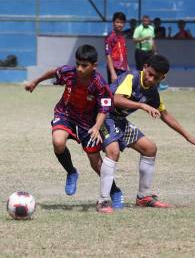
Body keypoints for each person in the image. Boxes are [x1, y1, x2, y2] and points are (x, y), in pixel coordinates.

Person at [96, 55, 195, 213]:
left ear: (163, 77)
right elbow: (116, 100)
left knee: (150, 148)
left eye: (157, 77)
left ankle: (143, 197)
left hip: (119, 121)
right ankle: (103, 201)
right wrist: (142, 106)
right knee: (113, 152)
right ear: (145, 67)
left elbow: (165, 114)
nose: (151, 79)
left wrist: (188, 136)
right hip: (104, 116)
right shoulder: (131, 77)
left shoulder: (153, 91)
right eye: (150, 73)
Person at [24, 45, 124, 208]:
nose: (79, 68)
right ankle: (71, 171)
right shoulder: (69, 73)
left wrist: (97, 127)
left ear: (94, 66)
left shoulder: (99, 83)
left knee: (96, 163)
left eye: (84, 65)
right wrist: (35, 82)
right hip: (65, 114)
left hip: (88, 123)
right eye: (77, 64)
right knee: (58, 142)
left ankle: (114, 190)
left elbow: (104, 108)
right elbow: (53, 72)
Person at [105, 12, 129, 84]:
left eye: (121, 22)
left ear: (124, 24)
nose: (119, 24)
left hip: (123, 69)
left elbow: (124, 54)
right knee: (114, 92)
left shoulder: (123, 37)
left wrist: (127, 68)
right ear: (113, 23)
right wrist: (112, 73)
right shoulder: (110, 36)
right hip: (114, 69)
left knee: (123, 91)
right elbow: (108, 54)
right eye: (117, 22)